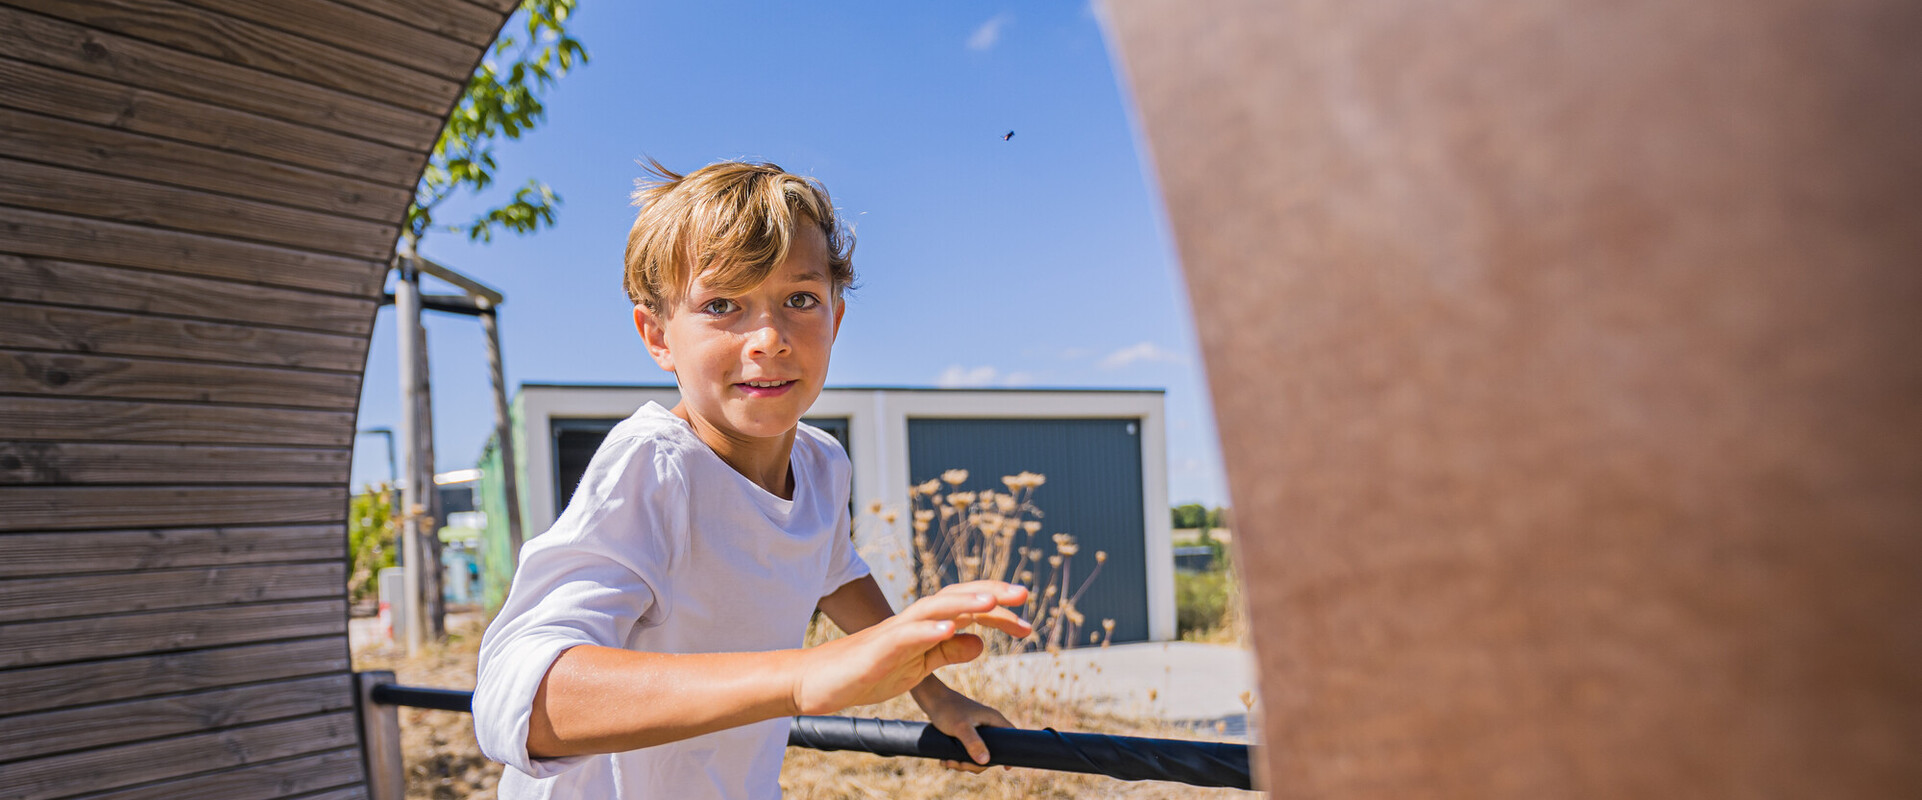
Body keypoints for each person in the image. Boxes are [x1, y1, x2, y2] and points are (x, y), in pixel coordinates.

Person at [473, 160, 1031, 799]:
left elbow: (835, 570)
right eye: (721, 305)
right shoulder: (656, 466)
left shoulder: (821, 465)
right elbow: (517, 697)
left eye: (800, 299)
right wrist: (802, 678)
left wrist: (934, 694)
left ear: (836, 318)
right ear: (657, 335)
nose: (769, 337)